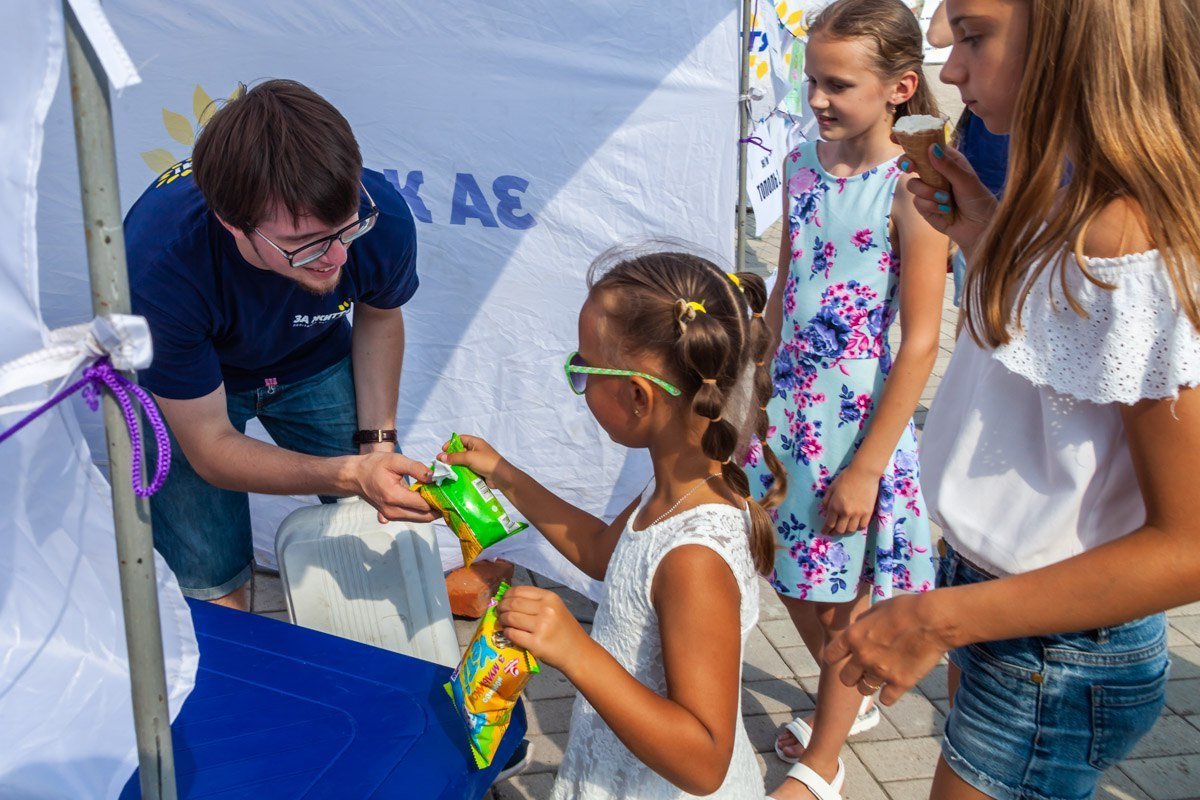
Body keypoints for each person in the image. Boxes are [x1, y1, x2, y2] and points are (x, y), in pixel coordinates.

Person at [826, 2, 1200, 800]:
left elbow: (1190, 543)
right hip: (1012, 616)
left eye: (973, 35)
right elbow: (1066, 346)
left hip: (1050, 646)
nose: (951, 69)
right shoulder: (1078, 197)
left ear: (1078, 37)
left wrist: (934, 620)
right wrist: (983, 231)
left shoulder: (1127, 232)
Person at [441, 246, 786, 798]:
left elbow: (704, 762)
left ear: (635, 395)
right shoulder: (674, 488)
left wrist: (576, 651)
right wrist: (503, 474)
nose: (577, 381)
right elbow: (605, 553)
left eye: (581, 368)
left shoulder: (694, 556)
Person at [743, 1, 950, 798]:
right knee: (792, 577)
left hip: (856, 430)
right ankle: (850, 695)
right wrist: (751, 392)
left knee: (841, 607)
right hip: (788, 418)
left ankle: (822, 764)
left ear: (900, 87)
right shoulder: (801, 165)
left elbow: (922, 341)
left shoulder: (913, 190)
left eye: (838, 84)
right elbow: (784, 292)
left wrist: (868, 466)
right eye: (812, 82)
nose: (819, 99)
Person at [125, 79, 435, 610]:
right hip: (192, 388)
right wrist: (347, 472)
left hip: (310, 357)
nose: (336, 258)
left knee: (384, 525)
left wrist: (376, 444)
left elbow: (380, 317)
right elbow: (213, 451)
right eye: (303, 244)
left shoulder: (378, 214)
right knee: (209, 577)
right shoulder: (158, 268)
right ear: (232, 225)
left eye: (345, 230)